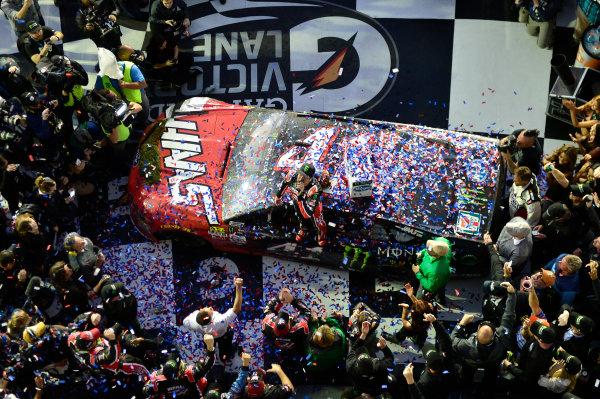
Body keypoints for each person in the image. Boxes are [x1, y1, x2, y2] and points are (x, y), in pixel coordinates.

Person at [450, 282, 516, 393]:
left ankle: (466, 389)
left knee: (466, 377)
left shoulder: (467, 344)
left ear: (476, 333)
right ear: (494, 334)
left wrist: (461, 324)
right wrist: (512, 295)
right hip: (493, 362)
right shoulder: (502, 337)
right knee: (490, 380)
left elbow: (452, 341)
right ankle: (487, 391)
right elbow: (509, 315)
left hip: (471, 363)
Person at [183, 277, 243, 361]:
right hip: (224, 336)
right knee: (226, 348)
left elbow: (185, 321)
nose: (210, 307)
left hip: (209, 338)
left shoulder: (193, 322)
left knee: (210, 348)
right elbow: (237, 308)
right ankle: (225, 357)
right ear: (211, 320)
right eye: (210, 309)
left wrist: (194, 314)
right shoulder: (221, 321)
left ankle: (212, 357)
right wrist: (239, 287)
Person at [143, 334, 215, 398]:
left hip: (192, 395)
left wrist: (210, 348)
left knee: (212, 395)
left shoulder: (190, 372)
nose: (174, 380)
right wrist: (147, 389)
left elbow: (206, 365)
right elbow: (145, 391)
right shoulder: (157, 378)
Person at [94, 47, 149, 128]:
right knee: (123, 123)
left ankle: (141, 126)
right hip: (118, 102)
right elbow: (97, 91)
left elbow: (143, 84)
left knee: (144, 113)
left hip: (137, 97)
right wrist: (105, 95)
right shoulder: (101, 76)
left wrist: (126, 84)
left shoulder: (131, 68)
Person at [275, 163, 327, 246]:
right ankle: (304, 228)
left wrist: (300, 195)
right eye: (300, 174)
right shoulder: (292, 175)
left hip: (312, 203)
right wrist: (278, 195)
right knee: (299, 215)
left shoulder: (315, 190)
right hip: (297, 199)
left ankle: (321, 231)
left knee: (318, 219)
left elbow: (307, 214)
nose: (301, 179)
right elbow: (284, 183)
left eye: (305, 177)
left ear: (310, 179)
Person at [343, 321, 395, 399]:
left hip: (361, 388)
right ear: (372, 360)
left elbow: (353, 349)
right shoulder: (380, 366)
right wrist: (384, 347)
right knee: (393, 379)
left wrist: (363, 334)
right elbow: (390, 359)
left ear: (356, 362)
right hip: (379, 388)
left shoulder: (351, 367)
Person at [502, 320, 556, 391]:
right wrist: (526, 329)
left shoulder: (537, 359)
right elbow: (531, 340)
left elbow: (526, 377)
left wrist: (509, 366)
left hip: (525, 385)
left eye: (536, 333)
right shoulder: (548, 339)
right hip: (520, 362)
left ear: (540, 340)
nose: (534, 333)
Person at [382, 282, 434, 348]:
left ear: (413, 314)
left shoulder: (409, 325)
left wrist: (405, 308)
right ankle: (419, 342)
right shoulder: (429, 313)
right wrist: (411, 296)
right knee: (422, 336)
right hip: (422, 330)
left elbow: (403, 320)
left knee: (401, 334)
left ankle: (396, 339)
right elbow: (420, 307)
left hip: (411, 330)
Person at [412, 237, 451, 304]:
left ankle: (439, 302)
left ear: (437, 255)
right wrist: (421, 253)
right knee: (440, 289)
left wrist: (417, 273)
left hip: (430, 279)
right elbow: (427, 249)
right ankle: (440, 298)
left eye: (429, 248)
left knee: (420, 298)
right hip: (434, 277)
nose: (427, 248)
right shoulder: (442, 245)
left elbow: (430, 287)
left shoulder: (435, 271)